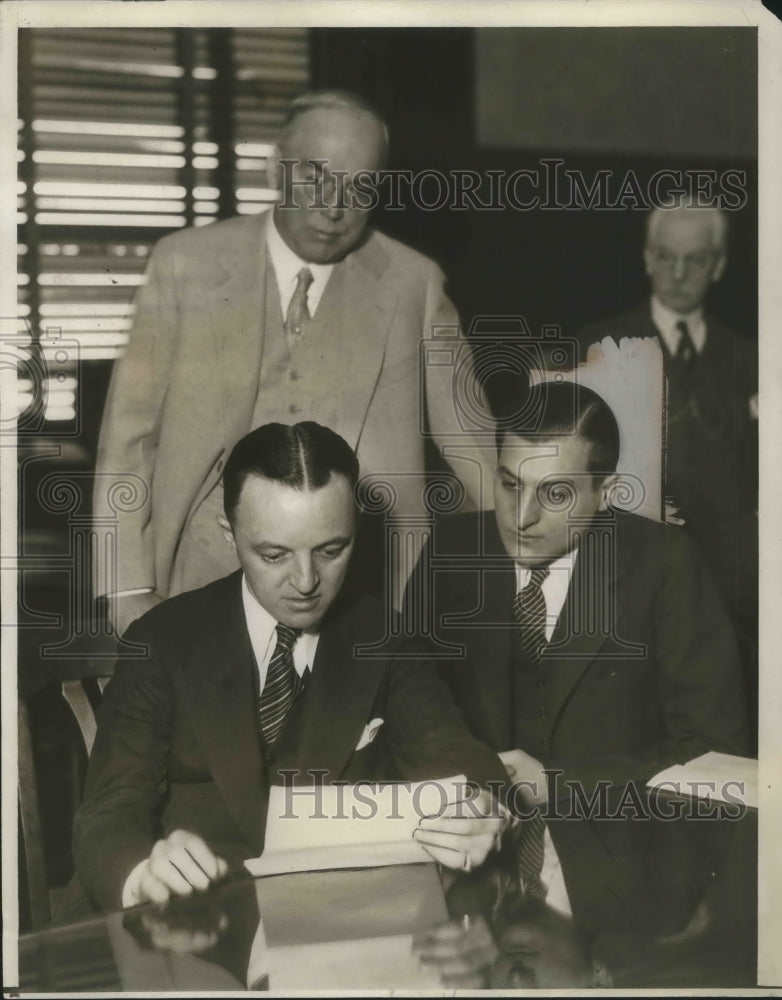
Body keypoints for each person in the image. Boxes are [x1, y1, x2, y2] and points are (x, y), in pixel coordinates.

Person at [93, 89, 494, 636]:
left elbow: (473, 448)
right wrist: (126, 584)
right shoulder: (183, 264)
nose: (334, 208)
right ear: (273, 170)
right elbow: (129, 435)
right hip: (199, 570)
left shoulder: (413, 283)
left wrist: (524, 572)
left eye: (360, 186)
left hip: (359, 589)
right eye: (315, 176)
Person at [71, 422, 508, 916]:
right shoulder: (161, 641)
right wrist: (139, 874)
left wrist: (479, 807)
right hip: (190, 929)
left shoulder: (388, 639)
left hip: (329, 928)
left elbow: (457, 758)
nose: (305, 582)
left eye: (330, 550)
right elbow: (110, 808)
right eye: (274, 554)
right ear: (230, 535)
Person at [405, 381, 749, 936]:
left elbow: (716, 757)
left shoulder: (667, 566)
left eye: (556, 494)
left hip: (621, 882)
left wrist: (560, 785)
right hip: (465, 873)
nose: (521, 516)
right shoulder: (450, 550)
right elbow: (408, 711)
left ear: (606, 490)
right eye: (510, 483)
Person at [576, 200, 757, 720]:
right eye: (667, 257)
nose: (679, 273)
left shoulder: (754, 357)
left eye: (695, 260)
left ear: (718, 265)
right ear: (647, 259)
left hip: (733, 592)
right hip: (631, 572)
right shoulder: (600, 344)